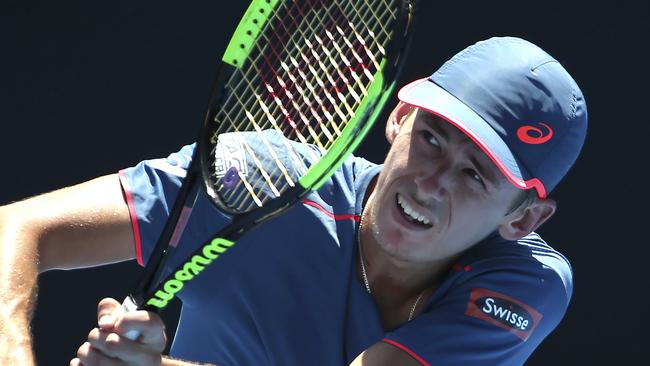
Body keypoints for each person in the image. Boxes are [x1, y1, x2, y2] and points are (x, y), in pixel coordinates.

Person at [0, 36, 587, 366]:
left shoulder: (523, 285)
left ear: (525, 218)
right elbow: (19, 228)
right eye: (431, 138)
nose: (430, 183)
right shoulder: (256, 180)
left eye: (475, 174)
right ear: (399, 117)